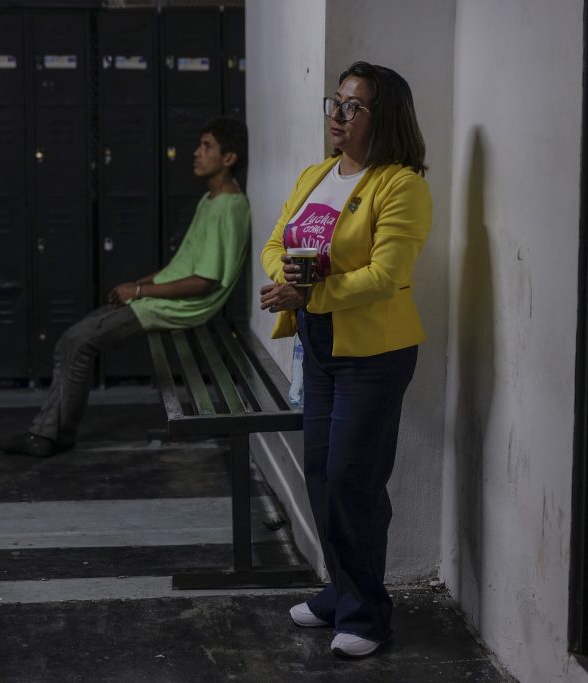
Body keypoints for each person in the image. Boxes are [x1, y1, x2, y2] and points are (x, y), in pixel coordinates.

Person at [258, 62, 431, 658]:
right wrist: (289, 282)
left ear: (382, 119)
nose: (338, 114)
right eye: (336, 102)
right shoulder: (316, 174)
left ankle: (367, 615)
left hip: (375, 352)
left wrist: (311, 292)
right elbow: (276, 242)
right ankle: (342, 589)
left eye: (354, 106)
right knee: (322, 477)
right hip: (320, 343)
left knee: (354, 481)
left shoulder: (400, 184)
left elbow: (388, 275)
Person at [0, 117, 251, 457]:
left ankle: (47, 435)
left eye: (207, 147)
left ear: (229, 159)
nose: (196, 153)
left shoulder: (228, 208)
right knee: (71, 343)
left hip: (177, 309)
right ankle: (51, 432)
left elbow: (203, 282)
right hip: (159, 301)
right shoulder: (211, 200)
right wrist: (138, 284)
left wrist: (141, 293)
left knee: (77, 343)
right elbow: (183, 267)